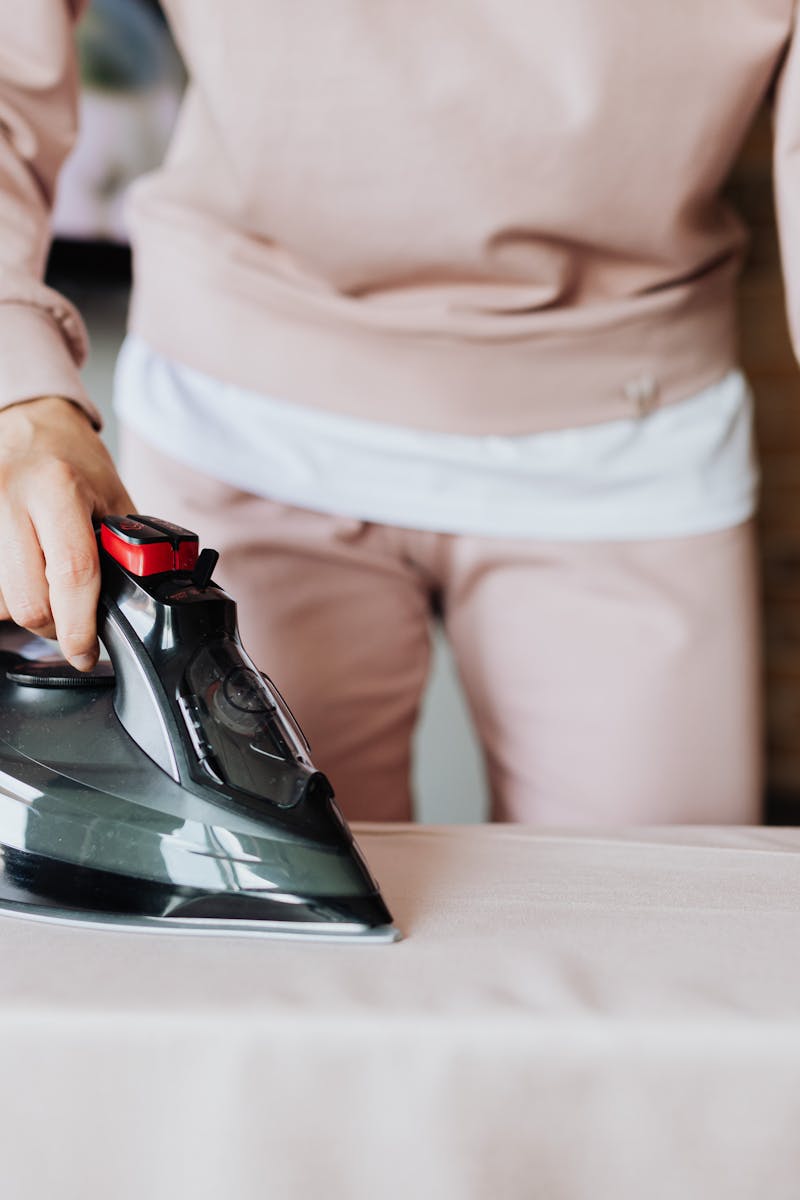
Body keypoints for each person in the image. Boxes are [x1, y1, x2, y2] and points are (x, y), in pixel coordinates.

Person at [0, 1, 797, 825]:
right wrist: (16, 383)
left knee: (661, 926)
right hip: (241, 417)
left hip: (632, 427)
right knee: (249, 939)